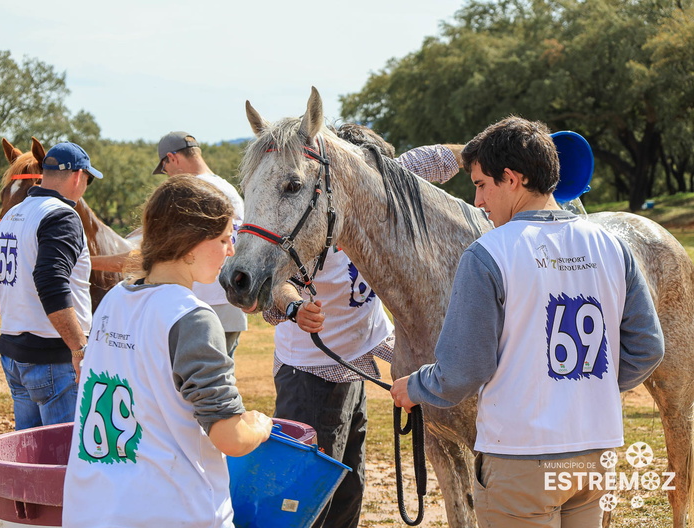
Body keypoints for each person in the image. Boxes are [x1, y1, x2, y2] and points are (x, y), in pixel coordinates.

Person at [390, 116, 665, 527]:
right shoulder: (612, 246)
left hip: (521, 458)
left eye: (482, 184)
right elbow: (648, 347)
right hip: (595, 454)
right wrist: (587, 389)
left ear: (512, 178)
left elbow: (463, 371)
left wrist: (413, 387)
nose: (478, 202)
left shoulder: (488, 253)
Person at [261, 126, 463, 528]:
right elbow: (273, 291)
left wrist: (485, 152)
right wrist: (295, 307)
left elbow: (439, 159)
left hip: (357, 356)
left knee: (351, 482)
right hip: (310, 371)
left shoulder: (377, 192)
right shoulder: (318, 220)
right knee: (311, 491)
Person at [62, 174, 272, 528]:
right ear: (190, 245)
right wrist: (258, 425)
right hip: (169, 510)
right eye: (223, 239)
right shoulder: (190, 316)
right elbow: (230, 437)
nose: (231, 250)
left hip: (94, 507)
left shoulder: (114, 299)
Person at [0, 142, 102, 430]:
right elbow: (51, 282)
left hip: (14, 353)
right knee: (62, 458)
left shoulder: (10, 217)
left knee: (31, 456)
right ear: (78, 176)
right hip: (53, 354)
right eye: (87, 179)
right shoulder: (62, 215)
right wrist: (78, 349)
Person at [152, 131, 247, 355]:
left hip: (201, 305)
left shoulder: (192, 191)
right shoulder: (227, 189)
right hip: (228, 302)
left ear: (172, 158)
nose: (167, 176)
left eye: (165, 168)